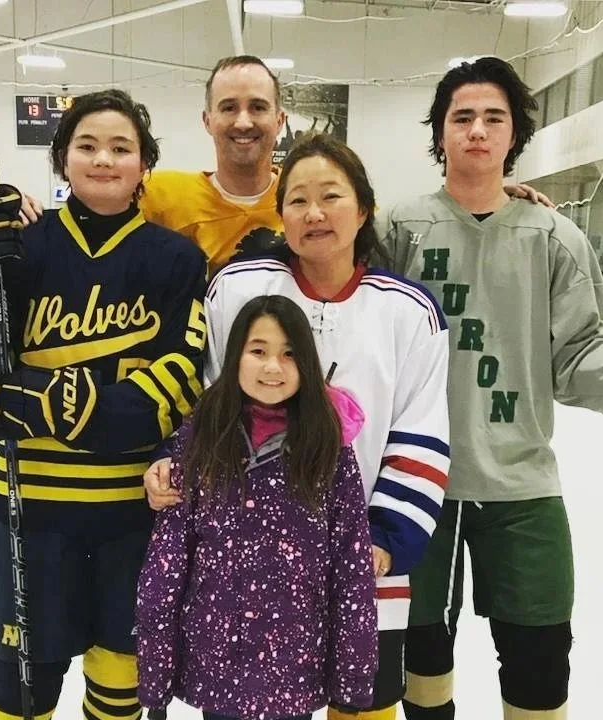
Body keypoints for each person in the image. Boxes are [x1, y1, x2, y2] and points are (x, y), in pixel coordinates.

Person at [376, 57, 603, 720]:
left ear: (514, 134)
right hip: (416, 483)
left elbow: (581, 352)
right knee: (421, 656)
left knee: (539, 657)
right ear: (439, 132)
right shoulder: (399, 228)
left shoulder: (554, 236)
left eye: (492, 118)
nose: (476, 130)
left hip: (522, 482)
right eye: (460, 117)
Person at [0, 89, 208, 720]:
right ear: (61, 159)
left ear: (144, 165)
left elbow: (182, 383)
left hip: (134, 511)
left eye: (121, 148)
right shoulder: (18, 250)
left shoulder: (176, 259)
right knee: (25, 674)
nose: (103, 159)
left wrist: (58, 405)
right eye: (87, 145)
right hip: (33, 510)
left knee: (121, 671)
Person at [151, 131, 449, 720]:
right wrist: (171, 459)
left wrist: (384, 541)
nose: (314, 213)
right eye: (297, 200)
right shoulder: (239, 288)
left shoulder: (409, 311)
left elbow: (422, 432)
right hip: (243, 570)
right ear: (280, 213)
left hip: (360, 562)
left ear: (363, 209)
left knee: (363, 700)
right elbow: (206, 402)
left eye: (332, 196)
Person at [18, 56, 553, 271]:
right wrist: (25, 209)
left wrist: (502, 195)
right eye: (229, 107)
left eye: (258, 108)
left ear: (279, 120)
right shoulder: (159, 193)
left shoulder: (311, 207)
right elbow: (92, 209)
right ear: (207, 119)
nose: (243, 121)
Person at [135, 294, 379, 720]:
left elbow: (351, 567)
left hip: (295, 672)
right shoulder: (202, 438)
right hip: (217, 668)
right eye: (258, 351)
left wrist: (351, 682)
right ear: (235, 358)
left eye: (289, 354)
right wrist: (156, 676)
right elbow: (167, 564)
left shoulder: (328, 449)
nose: (272, 367)